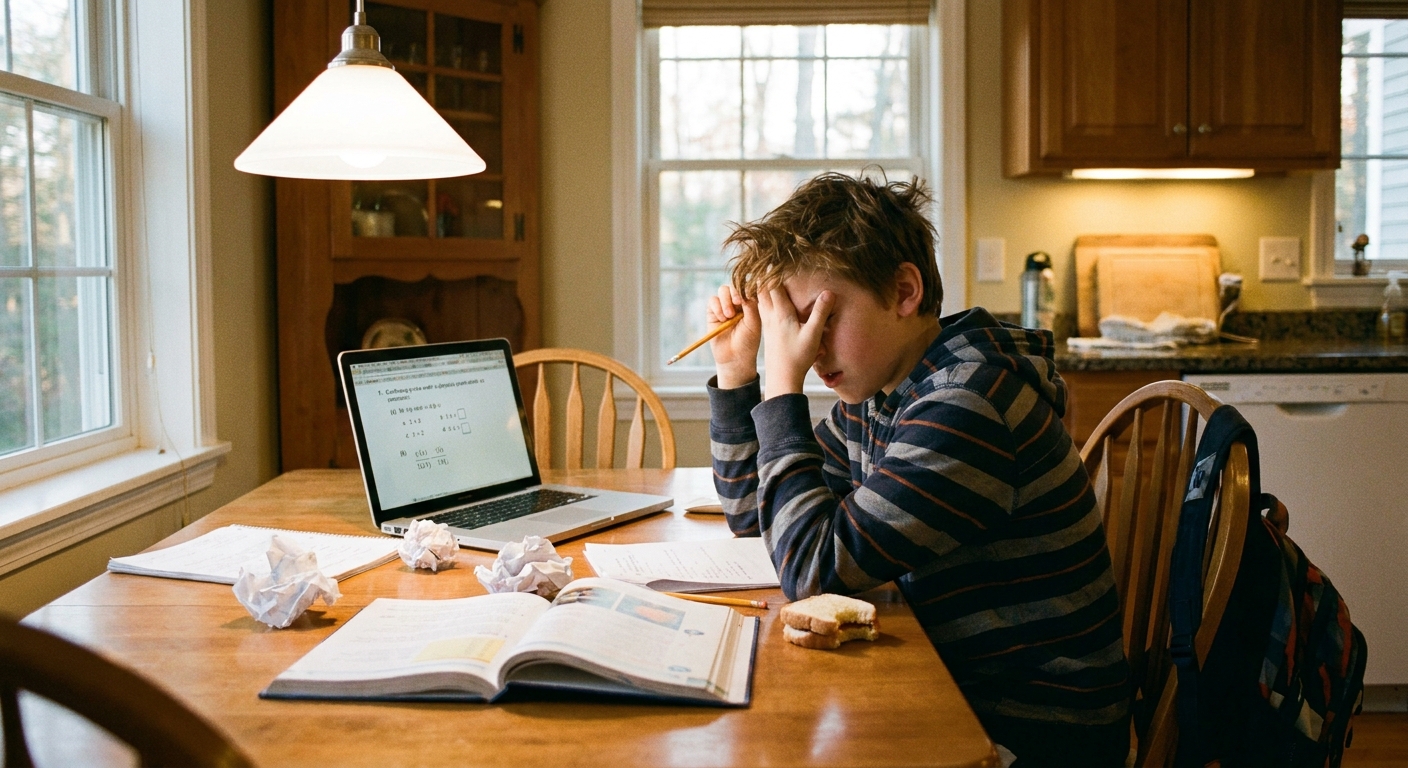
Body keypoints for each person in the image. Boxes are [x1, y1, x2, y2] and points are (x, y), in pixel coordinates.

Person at [705, 172, 1130, 768]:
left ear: (904, 291)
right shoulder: (886, 391)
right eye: (792, 328)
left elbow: (811, 570)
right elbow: (757, 515)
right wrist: (737, 372)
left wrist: (781, 387)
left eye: (818, 318)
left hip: (1032, 734)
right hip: (960, 689)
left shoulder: (967, 403)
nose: (806, 347)